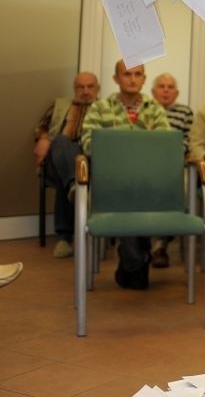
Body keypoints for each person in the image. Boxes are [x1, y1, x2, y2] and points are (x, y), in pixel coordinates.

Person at [82, 60, 171, 289]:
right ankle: (137, 258)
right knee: (127, 194)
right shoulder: (100, 107)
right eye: (127, 74)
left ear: (144, 78)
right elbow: (88, 143)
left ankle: (132, 260)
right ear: (115, 78)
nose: (132, 79)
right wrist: (131, 152)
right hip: (112, 182)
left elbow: (164, 146)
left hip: (146, 182)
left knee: (140, 192)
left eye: (138, 74)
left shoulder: (155, 109)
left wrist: (120, 147)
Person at [34, 72, 100, 258]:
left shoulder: (105, 108)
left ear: (98, 89)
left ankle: (64, 238)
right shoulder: (60, 106)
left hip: (91, 161)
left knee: (74, 173)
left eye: (90, 86)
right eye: (81, 87)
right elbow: (41, 127)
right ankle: (75, 185)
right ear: (74, 89)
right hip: (58, 158)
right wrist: (44, 138)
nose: (86, 91)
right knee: (62, 142)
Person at [150, 73, 194, 268]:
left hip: (175, 165)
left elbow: (188, 140)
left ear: (176, 93)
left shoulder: (185, 112)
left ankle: (161, 244)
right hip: (146, 165)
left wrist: (171, 154)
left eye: (170, 87)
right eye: (161, 86)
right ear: (152, 92)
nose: (166, 90)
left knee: (181, 187)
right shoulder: (146, 110)